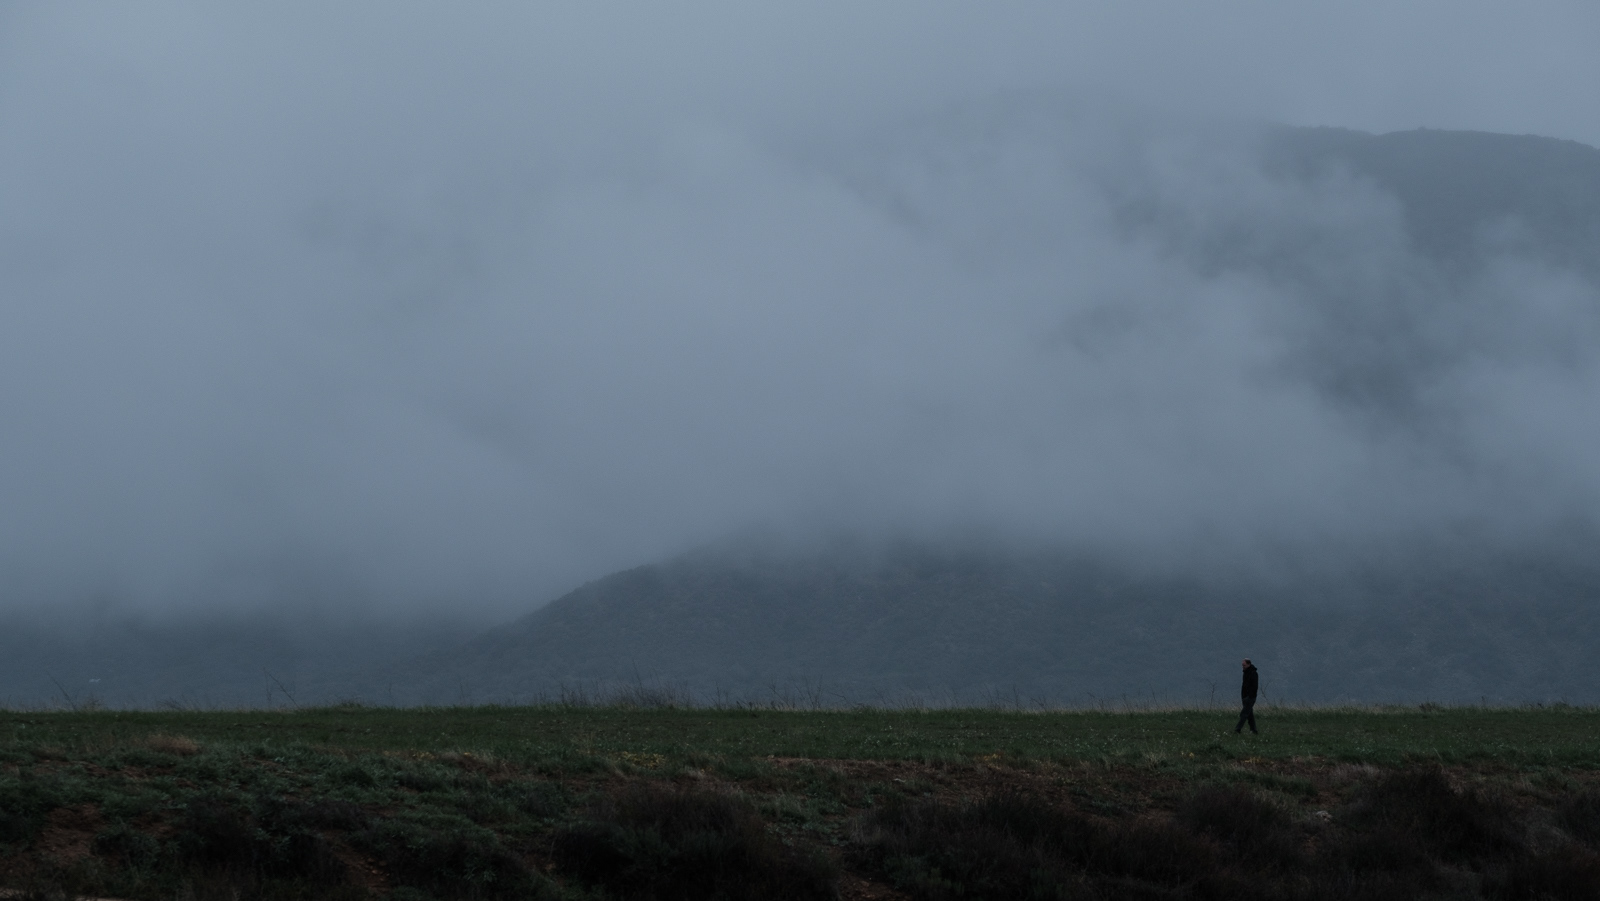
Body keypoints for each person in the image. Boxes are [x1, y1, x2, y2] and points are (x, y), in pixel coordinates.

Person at [1235, 659, 1259, 734]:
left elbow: (1255, 686)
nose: (1243, 666)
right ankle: (1254, 730)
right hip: (1245, 697)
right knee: (1249, 714)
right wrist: (1243, 696)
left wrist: (1250, 696)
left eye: (1244, 665)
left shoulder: (1253, 673)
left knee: (1244, 714)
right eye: (1242, 665)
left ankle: (1237, 729)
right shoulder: (1245, 673)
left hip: (1250, 697)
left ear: (1249, 664)